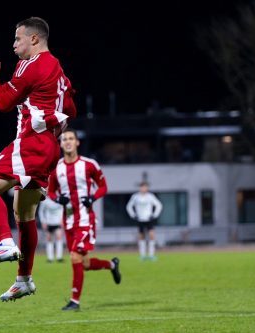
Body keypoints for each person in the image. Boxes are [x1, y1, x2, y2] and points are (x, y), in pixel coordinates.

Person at [0, 17, 77, 302]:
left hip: (31, 142)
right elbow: (70, 106)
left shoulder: (31, 64)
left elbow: (3, 103)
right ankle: (24, 280)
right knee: (24, 213)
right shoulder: (58, 69)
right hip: (49, 148)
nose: (13, 45)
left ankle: (4, 243)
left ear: (34, 39)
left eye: (17, 38)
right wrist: (57, 123)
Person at [48, 128, 121, 311]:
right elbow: (49, 191)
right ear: (61, 144)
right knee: (85, 264)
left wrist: (92, 198)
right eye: (64, 139)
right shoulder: (56, 168)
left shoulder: (89, 165)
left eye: (71, 138)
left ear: (77, 142)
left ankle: (75, 301)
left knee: (74, 256)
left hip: (85, 220)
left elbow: (103, 187)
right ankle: (112, 264)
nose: (68, 142)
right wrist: (58, 199)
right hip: (69, 221)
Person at [126, 181, 163, 261]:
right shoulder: (135, 197)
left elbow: (159, 205)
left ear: (147, 188)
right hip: (140, 219)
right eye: (142, 187)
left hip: (149, 219)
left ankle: (151, 255)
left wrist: (154, 215)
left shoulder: (150, 196)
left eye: (145, 187)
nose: (143, 188)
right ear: (140, 188)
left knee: (151, 235)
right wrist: (133, 215)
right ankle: (142, 255)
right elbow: (129, 206)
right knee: (141, 236)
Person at [37, 197, 64, 263]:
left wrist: (62, 219)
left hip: (57, 222)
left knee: (59, 237)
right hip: (48, 222)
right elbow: (41, 211)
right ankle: (50, 258)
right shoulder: (45, 200)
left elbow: (62, 209)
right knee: (49, 239)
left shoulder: (59, 198)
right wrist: (43, 221)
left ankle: (59, 257)